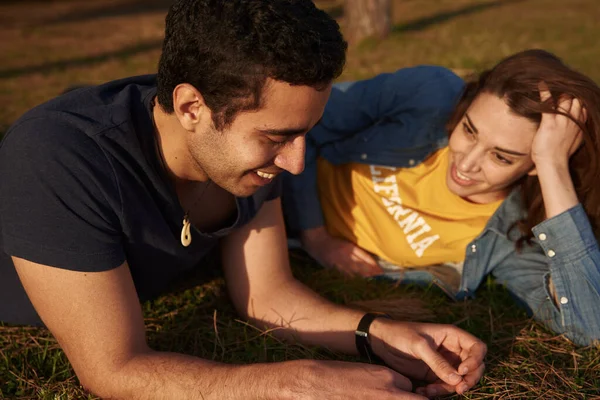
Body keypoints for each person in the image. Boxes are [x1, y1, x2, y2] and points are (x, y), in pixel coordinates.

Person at [0, 0, 487, 398]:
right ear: (192, 107)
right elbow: (113, 369)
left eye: (305, 135)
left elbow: (267, 295)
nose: (297, 164)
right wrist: (294, 385)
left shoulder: (242, 153)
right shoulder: (59, 157)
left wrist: (379, 334)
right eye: (278, 137)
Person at [283, 49, 600, 347]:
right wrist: (317, 236)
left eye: (501, 157)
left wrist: (553, 165)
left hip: (277, 237)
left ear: (534, 165)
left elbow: (589, 326)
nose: (467, 163)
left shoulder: (507, 237)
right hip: (267, 179)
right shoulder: (426, 96)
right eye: (470, 131)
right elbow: (298, 122)